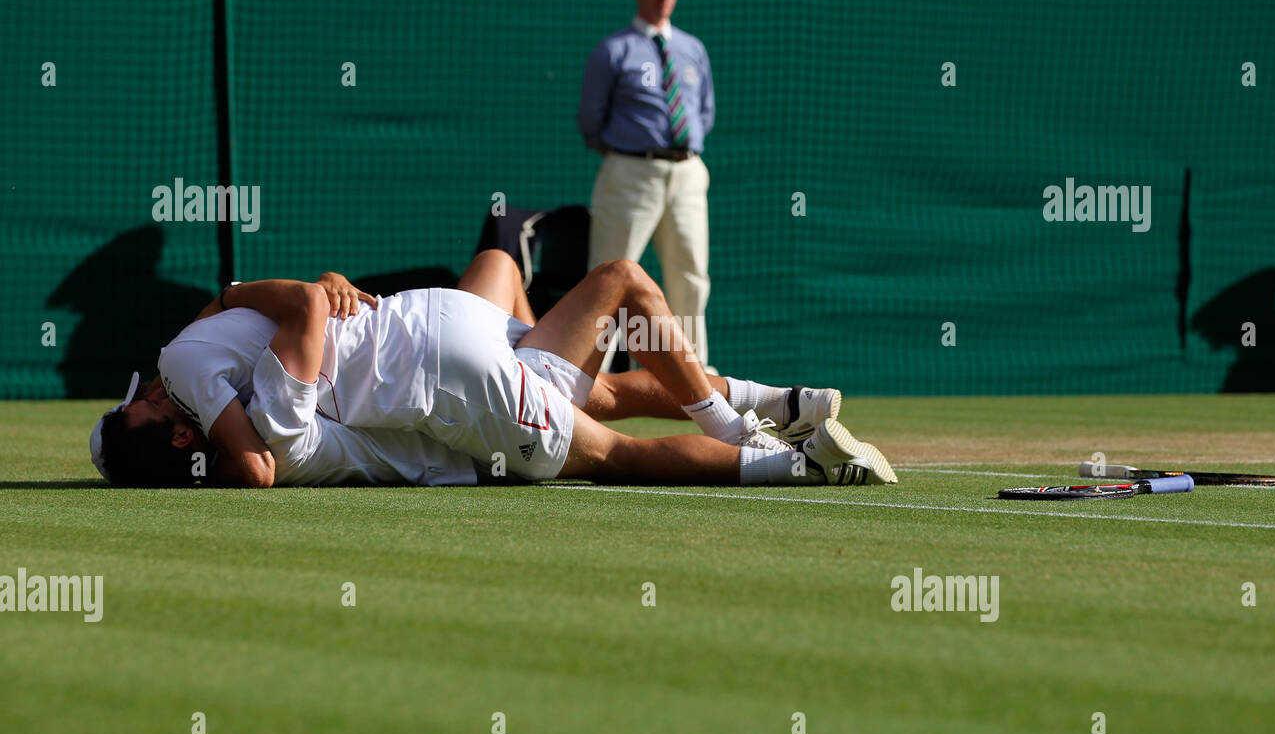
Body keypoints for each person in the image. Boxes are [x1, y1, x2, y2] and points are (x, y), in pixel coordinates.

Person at [92, 255, 894, 489]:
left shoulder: (212, 383)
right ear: (160, 434)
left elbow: (255, 460)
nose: (150, 393)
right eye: (143, 409)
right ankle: (778, 424)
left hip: (449, 365)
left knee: (614, 434)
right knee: (615, 333)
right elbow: (258, 461)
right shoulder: (213, 386)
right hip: (439, 347)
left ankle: (783, 444)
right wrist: (262, 293)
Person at [578, 0, 716, 372]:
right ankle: (590, 372)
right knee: (610, 271)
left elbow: (704, 112)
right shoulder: (614, 49)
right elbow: (590, 119)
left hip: (688, 172)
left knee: (690, 271)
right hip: (630, 171)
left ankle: (694, 374)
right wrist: (627, 153)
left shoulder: (692, 48)